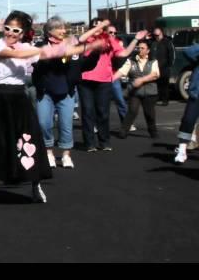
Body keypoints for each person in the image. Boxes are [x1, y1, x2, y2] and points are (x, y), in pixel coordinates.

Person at [0, 11, 89, 203]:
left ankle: (35, 185)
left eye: (16, 30)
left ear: (22, 33)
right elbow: (16, 54)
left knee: (29, 141)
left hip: (18, 98)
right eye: (7, 28)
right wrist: (40, 50)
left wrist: (83, 48)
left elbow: (56, 52)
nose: (10, 33)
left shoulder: (27, 47)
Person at [33, 17, 102, 169]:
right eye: (59, 28)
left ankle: (66, 155)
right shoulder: (40, 46)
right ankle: (49, 152)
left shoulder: (71, 47)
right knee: (44, 123)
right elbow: (37, 63)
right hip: (45, 93)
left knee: (66, 124)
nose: (63, 31)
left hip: (66, 92)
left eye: (64, 28)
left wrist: (96, 54)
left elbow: (84, 65)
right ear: (50, 31)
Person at [78, 19, 147, 152]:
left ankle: (104, 142)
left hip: (104, 80)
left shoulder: (109, 39)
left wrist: (136, 39)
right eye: (95, 26)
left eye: (101, 26)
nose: (99, 28)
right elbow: (81, 38)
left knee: (103, 113)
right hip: (86, 80)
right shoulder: (89, 38)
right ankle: (89, 143)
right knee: (88, 112)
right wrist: (99, 26)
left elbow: (124, 53)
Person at [114, 40, 160, 139]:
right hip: (135, 91)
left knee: (149, 114)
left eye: (143, 48)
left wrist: (142, 80)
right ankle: (123, 132)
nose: (140, 50)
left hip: (149, 91)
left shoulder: (153, 61)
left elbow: (155, 74)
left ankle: (153, 132)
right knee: (132, 111)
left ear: (148, 50)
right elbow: (122, 71)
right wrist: (111, 79)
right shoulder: (131, 60)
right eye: (139, 48)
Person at [172, 42, 199, 164]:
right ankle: (182, 150)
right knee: (188, 120)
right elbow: (188, 52)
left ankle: (193, 141)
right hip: (197, 92)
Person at [150, 27, 175, 106]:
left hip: (164, 67)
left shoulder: (167, 42)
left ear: (161, 34)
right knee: (155, 84)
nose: (156, 36)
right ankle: (156, 99)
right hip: (154, 67)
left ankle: (165, 100)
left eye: (158, 35)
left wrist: (169, 65)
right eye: (155, 35)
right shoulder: (152, 42)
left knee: (164, 85)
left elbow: (171, 54)